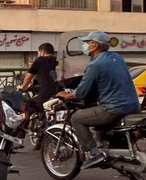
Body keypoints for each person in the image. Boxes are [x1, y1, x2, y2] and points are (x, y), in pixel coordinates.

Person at [55, 31, 140, 170]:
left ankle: (94, 153)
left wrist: (67, 95)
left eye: (87, 43)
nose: (85, 46)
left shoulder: (95, 64)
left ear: (94, 45)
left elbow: (81, 92)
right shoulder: (117, 58)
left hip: (114, 108)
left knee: (76, 118)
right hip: (133, 105)